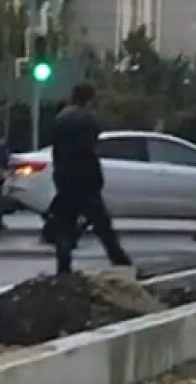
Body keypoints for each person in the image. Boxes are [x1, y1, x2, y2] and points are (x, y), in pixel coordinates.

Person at [46, 82, 132, 275]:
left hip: (65, 180)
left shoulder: (61, 118)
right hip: (85, 181)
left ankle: (63, 267)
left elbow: (57, 152)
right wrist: (96, 179)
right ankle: (122, 264)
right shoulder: (87, 120)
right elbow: (90, 153)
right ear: (89, 99)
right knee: (102, 225)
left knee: (66, 224)